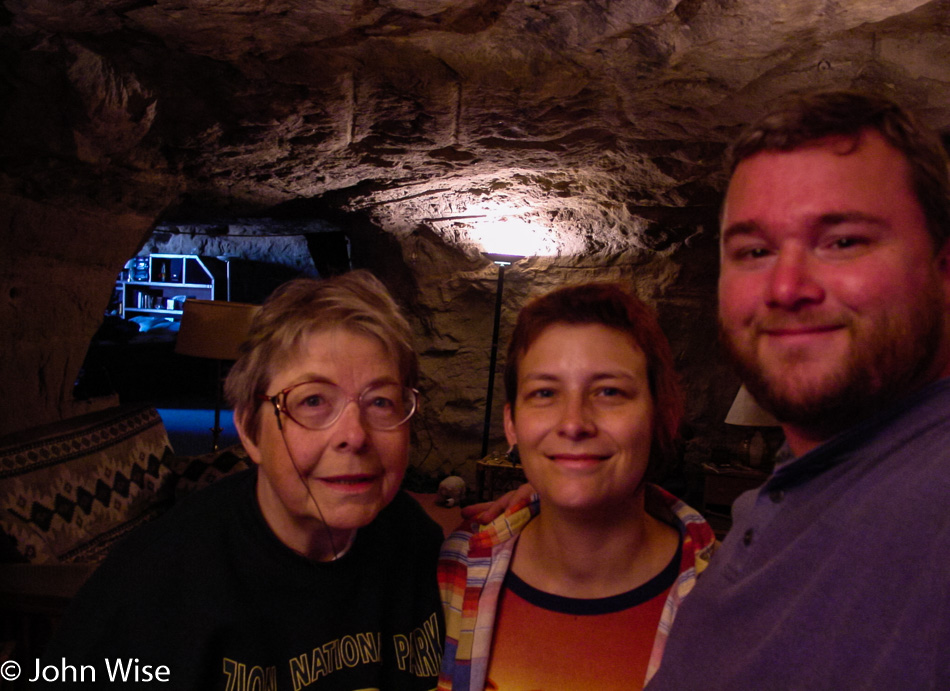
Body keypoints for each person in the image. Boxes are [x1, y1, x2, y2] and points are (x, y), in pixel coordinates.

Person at [648, 90, 950, 689]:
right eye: (755, 251)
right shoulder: (788, 496)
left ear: (944, 270)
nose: (786, 288)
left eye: (842, 241)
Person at [43, 271, 444, 689]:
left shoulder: (413, 537)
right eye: (312, 401)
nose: (355, 435)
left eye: (381, 401)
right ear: (251, 432)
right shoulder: (153, 590)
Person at [439, 282, 716, 691]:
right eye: (545, 392)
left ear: (660, 416)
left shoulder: (730, 599)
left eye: (609, 391)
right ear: (513, 425)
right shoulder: (453, 574)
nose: (573, 423)